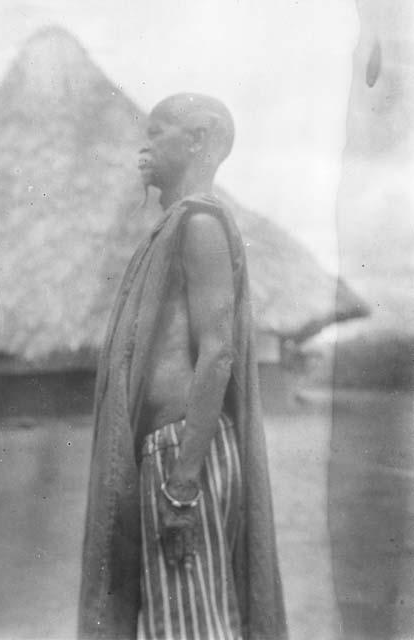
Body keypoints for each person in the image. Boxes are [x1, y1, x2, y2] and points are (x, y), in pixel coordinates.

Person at [78, 93, 287, 640]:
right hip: (167, 453)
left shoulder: (201, 225)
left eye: (158, 131)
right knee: (177, 622)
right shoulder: (175, 225)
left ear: (198, 139)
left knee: (191, 628)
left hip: (183, 454)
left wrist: (184, 483)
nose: (144, 145)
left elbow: (217, 352)